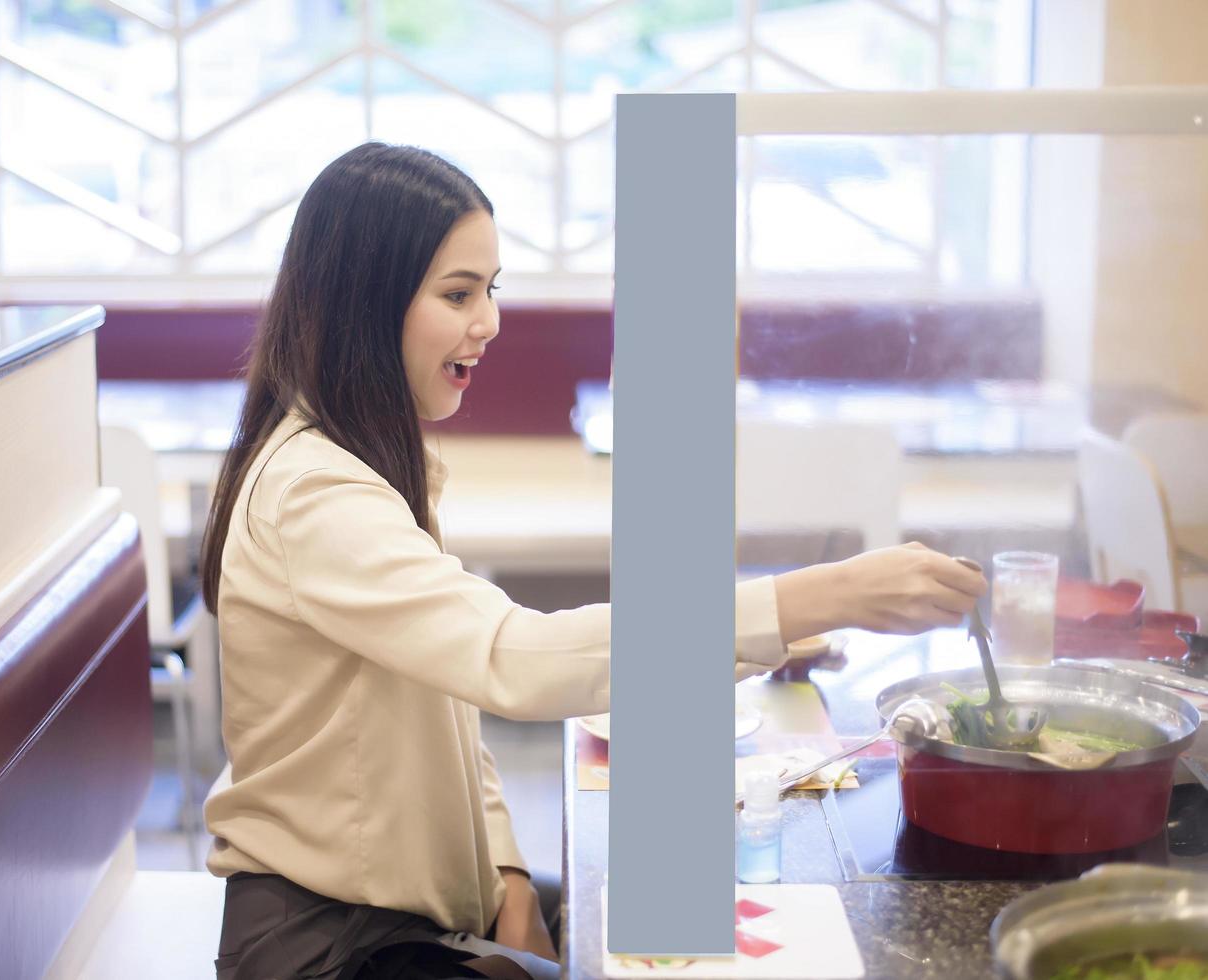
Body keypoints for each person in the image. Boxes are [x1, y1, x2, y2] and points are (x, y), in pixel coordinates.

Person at [197, 141, 986, 980]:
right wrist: (825, 594)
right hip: (323, 942)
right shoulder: (316, 494)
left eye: (490, 290)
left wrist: (504, 872)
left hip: (407, 904)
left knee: (644, 932)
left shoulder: (368, 461)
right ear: (365, 301)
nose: (489, 321)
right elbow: (513, 659)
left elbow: (446, 690)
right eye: (458, 293)